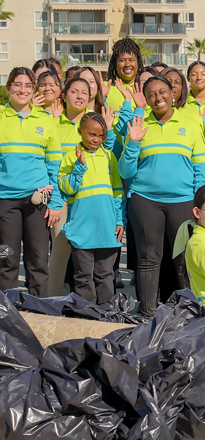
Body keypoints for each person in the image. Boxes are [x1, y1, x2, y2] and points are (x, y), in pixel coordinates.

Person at [119, 75, 205, 315]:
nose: (157, 97)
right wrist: (133, 143)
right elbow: (125, 170)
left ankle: (187, 314)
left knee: (183, 260)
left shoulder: (190, 123)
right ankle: (147, 315)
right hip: (145, 201)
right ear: (146, 100)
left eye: (162, 92)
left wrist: (201, 203)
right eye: (151, 94)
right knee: (149, 259)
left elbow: (201, 167)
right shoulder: (139, 123)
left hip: (182, 201)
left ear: (173, 94)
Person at [0, 67, 64, 295]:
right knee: (6, 260)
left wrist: (55, 202)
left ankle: (38, 310)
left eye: (28, 85)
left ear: (34, 90)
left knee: (38, 260)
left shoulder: (46, 121)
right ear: (8, 88)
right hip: (5, 201)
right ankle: (6, 313)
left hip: (38, 199)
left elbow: (54, 166)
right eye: (17, 84)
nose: (22, 90)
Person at [57, 112, 124, 304]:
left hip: (107, 228)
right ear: (80, 131)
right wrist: (79, 166)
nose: (96, 139)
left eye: (101, 135)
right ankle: (86, 314)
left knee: (105, 274)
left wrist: (120, 220)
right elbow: (67, 187)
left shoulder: (109, 156)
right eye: (91, 134)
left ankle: (106, 314)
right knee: (83, 275)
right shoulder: (70, 156)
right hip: (81, 228)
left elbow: (118, 192)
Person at [105, 38, 144, 112]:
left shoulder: (144, 87)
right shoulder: (105, 87)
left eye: (131, 60)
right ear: (115, 65)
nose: (127, 64)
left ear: (138, 63)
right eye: (122, 60)